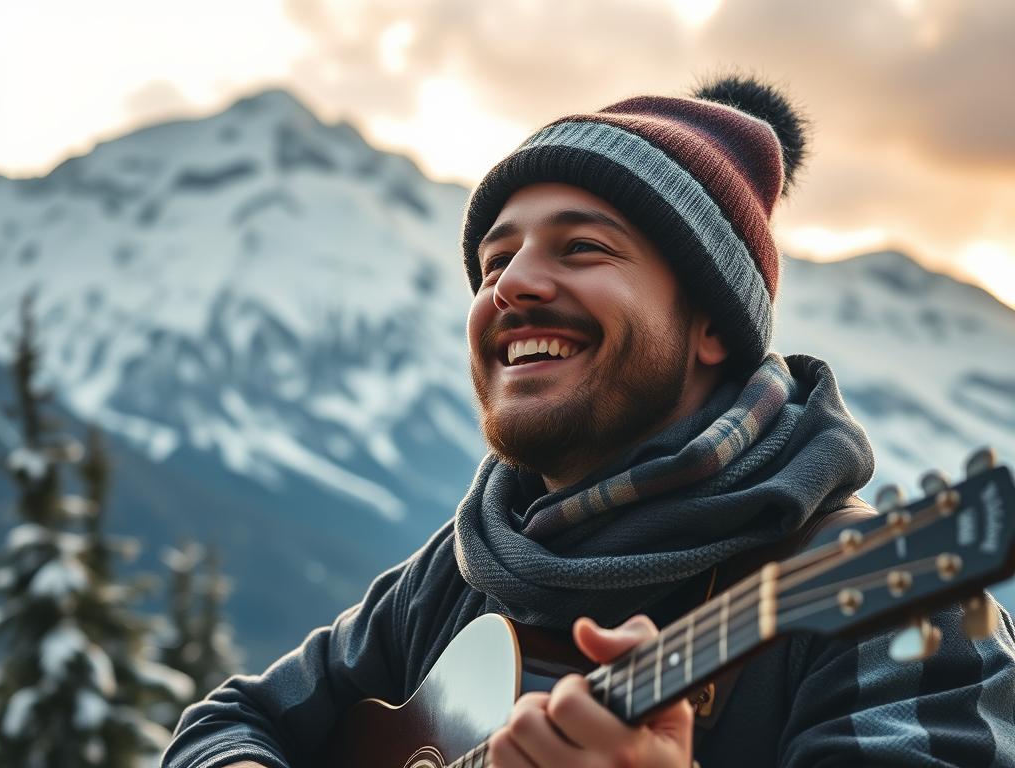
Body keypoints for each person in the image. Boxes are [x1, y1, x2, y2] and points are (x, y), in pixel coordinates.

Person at [162, 75, 1015, 768]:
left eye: (582, 248)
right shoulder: (466, 569)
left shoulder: (901, 607)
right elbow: (228, 724)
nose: (510, 286)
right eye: (496, 259)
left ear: (714, 326)